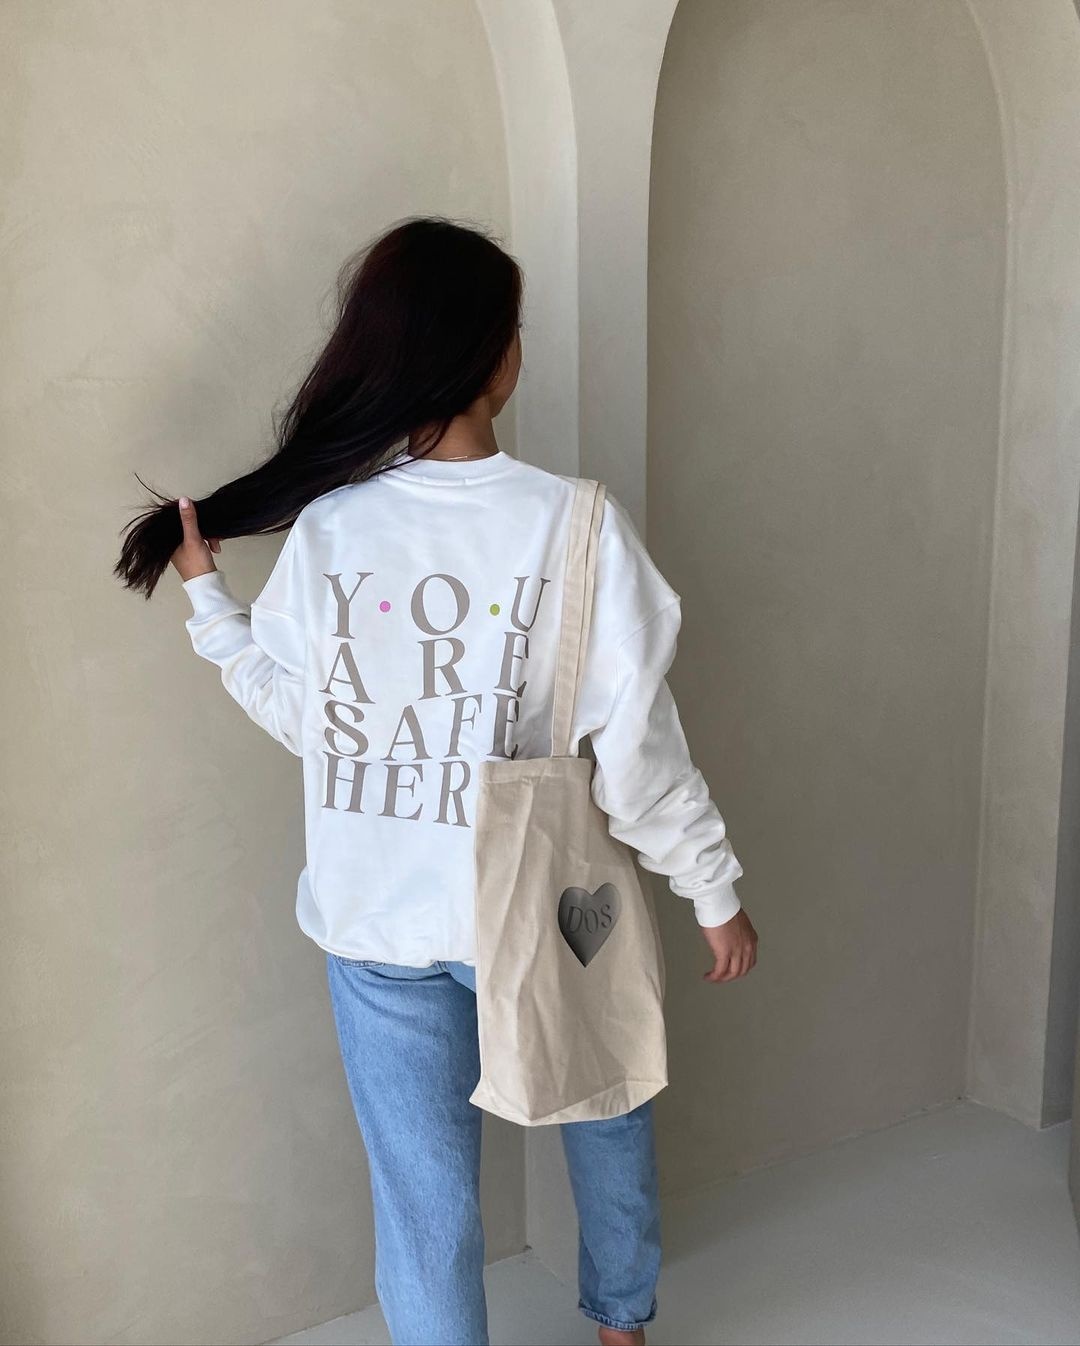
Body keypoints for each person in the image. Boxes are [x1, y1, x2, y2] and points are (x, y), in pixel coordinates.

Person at [116, 215, 758, 1346]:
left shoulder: (330, 529)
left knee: (423, 1207)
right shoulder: (578, 524)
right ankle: (621, 1325)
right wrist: (712, 889)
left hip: (375, 921)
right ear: (499, 356)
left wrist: (211, 607)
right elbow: (639, 752)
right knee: (607, 1099)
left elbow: (311, 724)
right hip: (546, 900)